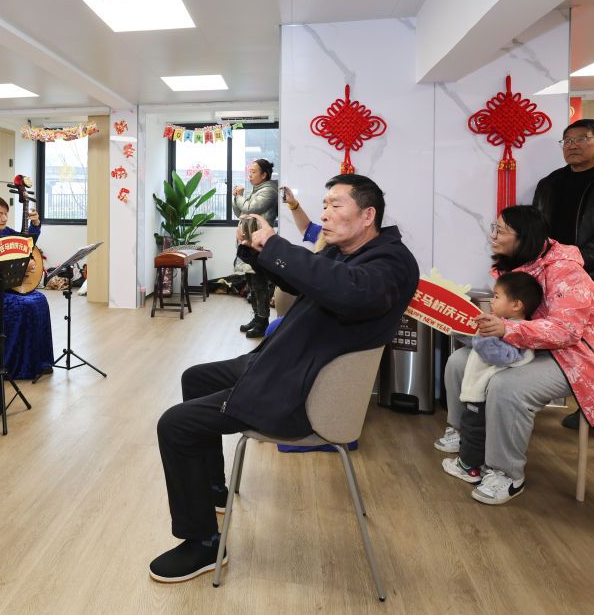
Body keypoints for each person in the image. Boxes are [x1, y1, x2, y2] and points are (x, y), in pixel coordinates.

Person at [150, 174, 419, 583]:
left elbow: (347, 292)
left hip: (299, 388)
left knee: (175, 424)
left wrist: (276, 244)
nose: (324, 214)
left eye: (335, 206)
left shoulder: (392, 264)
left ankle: (202, 544)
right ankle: (213, 490)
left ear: (368, 216)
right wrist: (255, 250)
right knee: (196, 378)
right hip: (284, 363)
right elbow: (304, 281)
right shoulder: (346, 252)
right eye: (324, 205)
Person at [436, 205, 594, 505]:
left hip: (577, 357)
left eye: (501, 231)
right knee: (459, 362)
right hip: (531, 344)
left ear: (524, 237)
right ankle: (467, 438)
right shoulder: (517, 264)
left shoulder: (565, 270)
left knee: (508, 387)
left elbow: (567, 331)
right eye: (495, 228)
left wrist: (506, 329)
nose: (493, 235)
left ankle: (507, 474)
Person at [532, 118, 594, 432]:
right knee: (559, 337)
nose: (572, 145)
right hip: (551, 274)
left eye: (581, 138)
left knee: (590, 343)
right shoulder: (550, 182)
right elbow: (536, 229)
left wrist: (577, 261)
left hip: (592, 275)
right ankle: (584, 404)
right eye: (567, 140)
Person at [441, 271, 542, 484]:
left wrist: (483, 336)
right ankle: (479, 464)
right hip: (481, 389)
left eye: (496, 296)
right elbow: (476, 343)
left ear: (516, 305)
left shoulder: (518, 332)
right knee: (476, 429)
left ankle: (468, 467)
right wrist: (459, 328)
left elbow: (500, 356)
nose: (492, 301)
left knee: (474, 430)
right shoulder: (503, 323)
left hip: (483, 392)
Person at [0, 195, 54, 381]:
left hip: (5, 288)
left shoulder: (3, 231)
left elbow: (26, 242)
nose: (4, 219)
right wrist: (21, 266)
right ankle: (16, 367)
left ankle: (39, 361)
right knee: (27, 305)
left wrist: (35, 225)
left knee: (39, 299)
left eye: (5, 214)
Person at [233, 159, 279, 337]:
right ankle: (257, 317)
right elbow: (240, 213)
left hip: (259, 244)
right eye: (249, 171)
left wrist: (239, 196)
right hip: (249, 242)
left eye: (253, 171)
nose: (249, 174)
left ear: (264, 175)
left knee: (260, 284)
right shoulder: (256, 190)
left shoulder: (269, 191)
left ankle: (263, 321)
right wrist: (236, 198)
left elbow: (250, 208)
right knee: (251, 282)